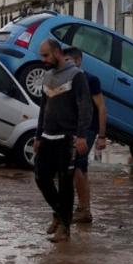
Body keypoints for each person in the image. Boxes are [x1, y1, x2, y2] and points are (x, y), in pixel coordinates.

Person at [34, 39, 92, 243]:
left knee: (66, 183)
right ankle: (60, 214)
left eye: (46, 55)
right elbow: (43, 108)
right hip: (48, 137)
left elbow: (86, 107)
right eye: (42, 56)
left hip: (68, 139)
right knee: (41, 178)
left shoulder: (77, 76)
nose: (43, 60)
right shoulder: (47, 76)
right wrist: (38, 135)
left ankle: (65, 228)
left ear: (57, 53)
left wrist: (82, 136)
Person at [63, 47, 107, 224]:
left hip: (88, 129)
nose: (64, 65)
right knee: (78, 169)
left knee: (78, 167)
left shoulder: (91, 80)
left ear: (78, 61)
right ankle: (83, 209)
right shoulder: (64, 79)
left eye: (68, 61)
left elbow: (101, 107)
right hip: (71, 129)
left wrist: (102, 136)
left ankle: (83, 210)